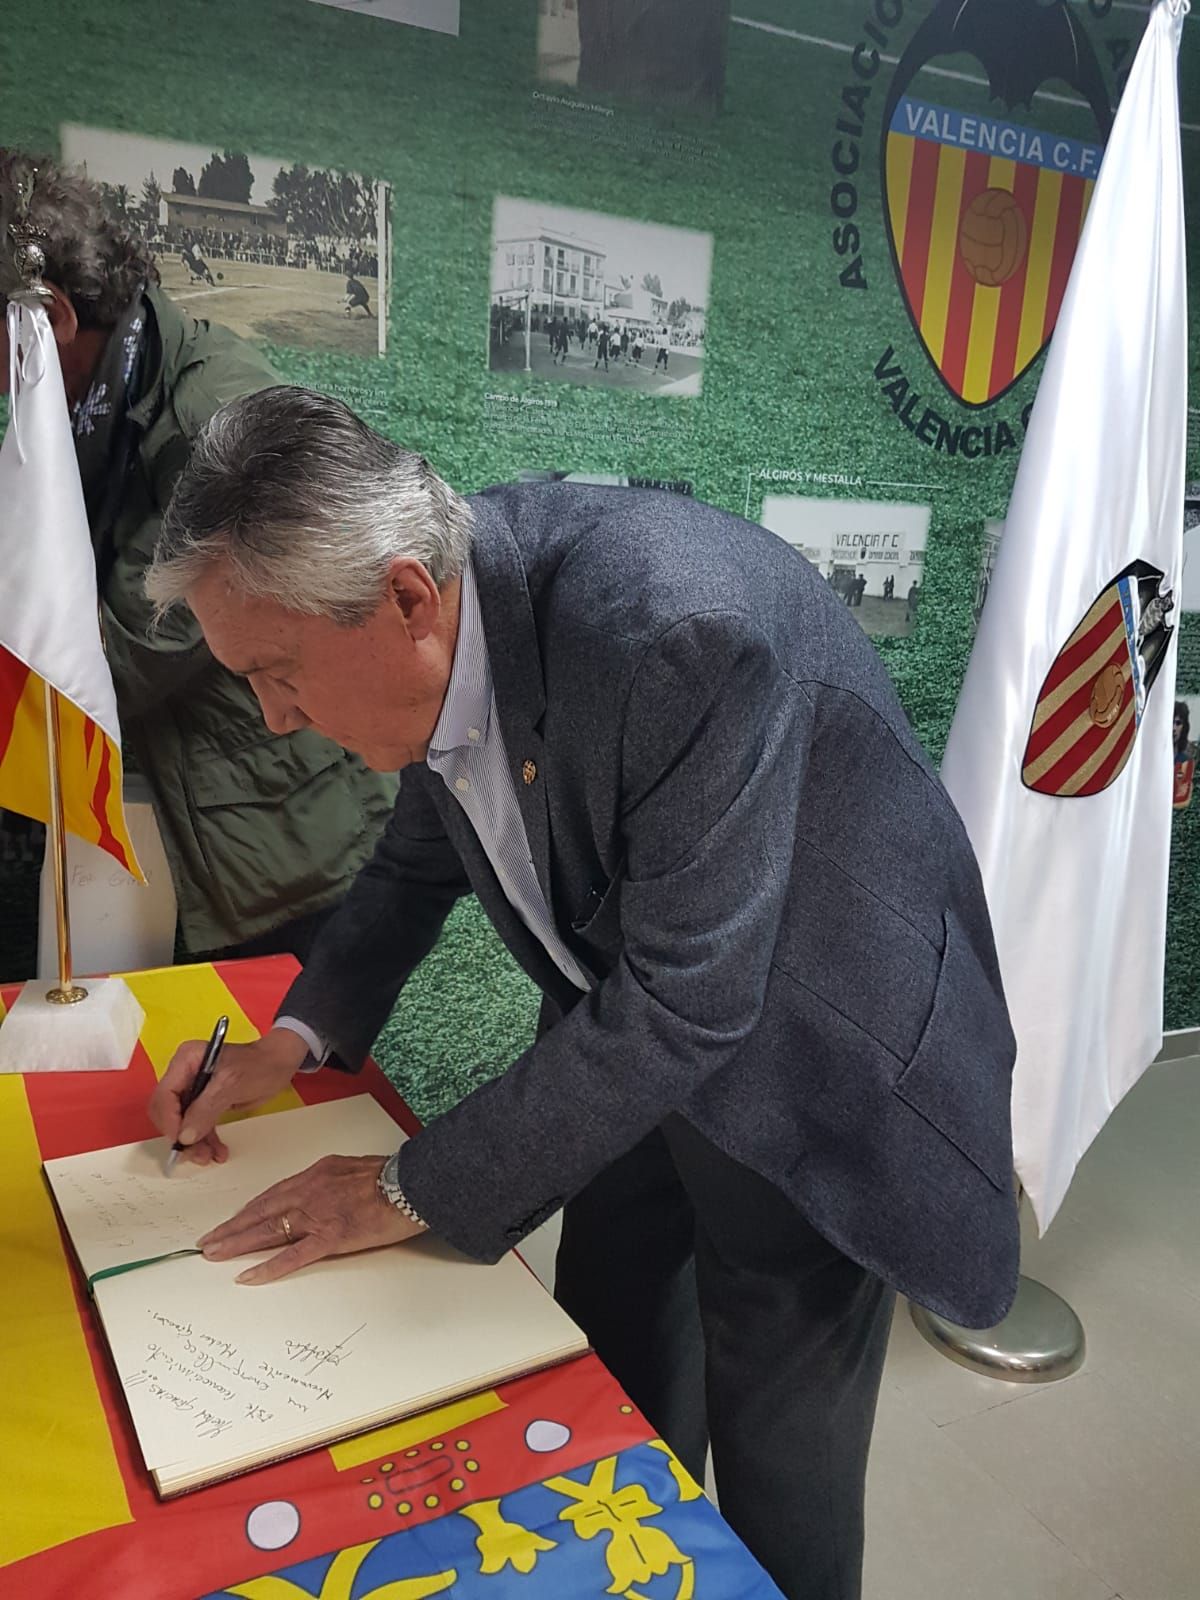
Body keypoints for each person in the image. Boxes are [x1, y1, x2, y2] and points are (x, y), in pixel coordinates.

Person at [145, 388, 1019, 1600]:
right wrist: (291, 1041)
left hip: (811, 1061)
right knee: (614, 1359)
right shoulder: (456, 623)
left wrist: (405, 1184)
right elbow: (416, 862)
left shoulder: (673, 632)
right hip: (633, 1045)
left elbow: (687, 1003)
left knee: (781, 1463)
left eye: (278, 673)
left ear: (406, 600)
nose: (276, 718)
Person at [0, 152, 395, 963]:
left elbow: (124, 651)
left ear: (55, 316)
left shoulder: (211, 423)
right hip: (205, 808)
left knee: (269, 1038)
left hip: (278, 838)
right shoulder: (93, 403)